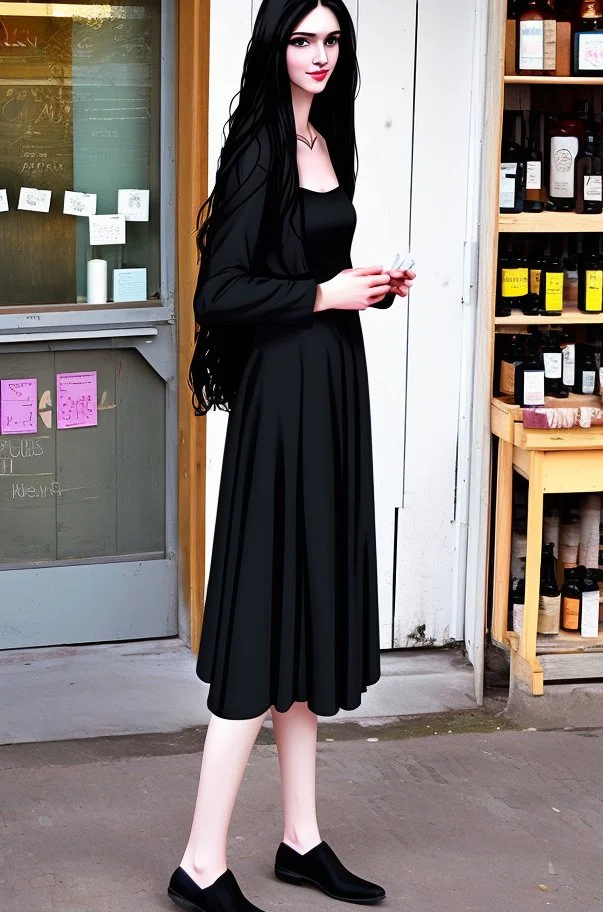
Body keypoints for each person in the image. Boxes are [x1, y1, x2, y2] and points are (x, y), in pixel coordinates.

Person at [168, 1, 416, 910]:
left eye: (332, 39)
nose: (318, 55)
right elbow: (220, 293)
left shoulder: (326, 134)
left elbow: (312, 275)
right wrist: (324, 293)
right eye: (303, 39)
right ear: (275, 46)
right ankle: (200, 862)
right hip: (283, 412)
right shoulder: (261, 147)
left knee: (306, 616)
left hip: (330, 396)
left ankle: (301, 840)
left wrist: (369, 292)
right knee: (264, 624)